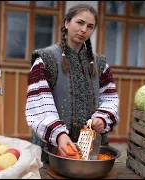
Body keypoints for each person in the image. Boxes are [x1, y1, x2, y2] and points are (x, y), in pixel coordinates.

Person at [25, 3, 119, 164]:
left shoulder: (100, 63)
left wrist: (102, 119)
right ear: (67, 23)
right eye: (80, 23)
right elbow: (39, 104)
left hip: (92, 151)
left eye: (90, 26)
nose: (84, 30)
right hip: (52, 151)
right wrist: (59, 135)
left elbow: (109, 99)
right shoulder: (45, 59)